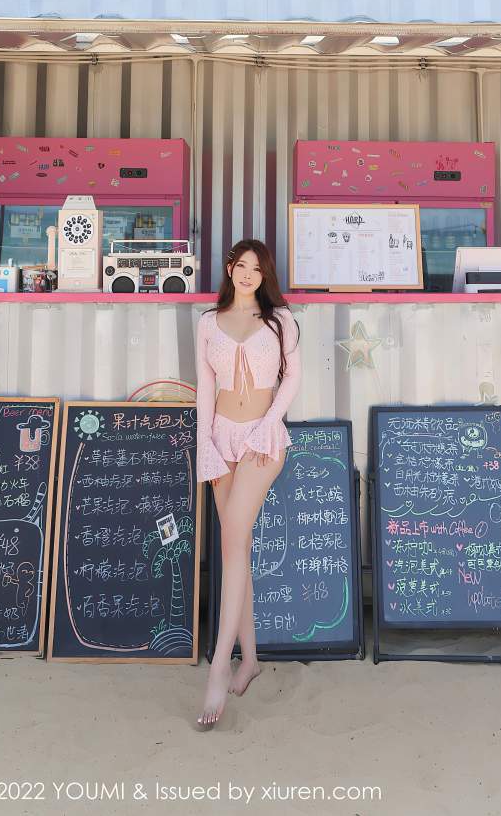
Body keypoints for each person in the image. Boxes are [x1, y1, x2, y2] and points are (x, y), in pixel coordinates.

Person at [195, 239, 302, 728]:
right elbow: (205, 388)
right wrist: (205, 444)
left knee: (233, 541)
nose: (247, 274)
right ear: (230, 269)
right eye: (241, 266)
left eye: (256, 269)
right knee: (236, 549)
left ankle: (220, 665)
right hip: (222, 439)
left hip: (263, 441)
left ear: (265, 275)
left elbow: (292, 379)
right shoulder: (207, 322)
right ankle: (251, 658)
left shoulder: (280, 321)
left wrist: (268, 423)